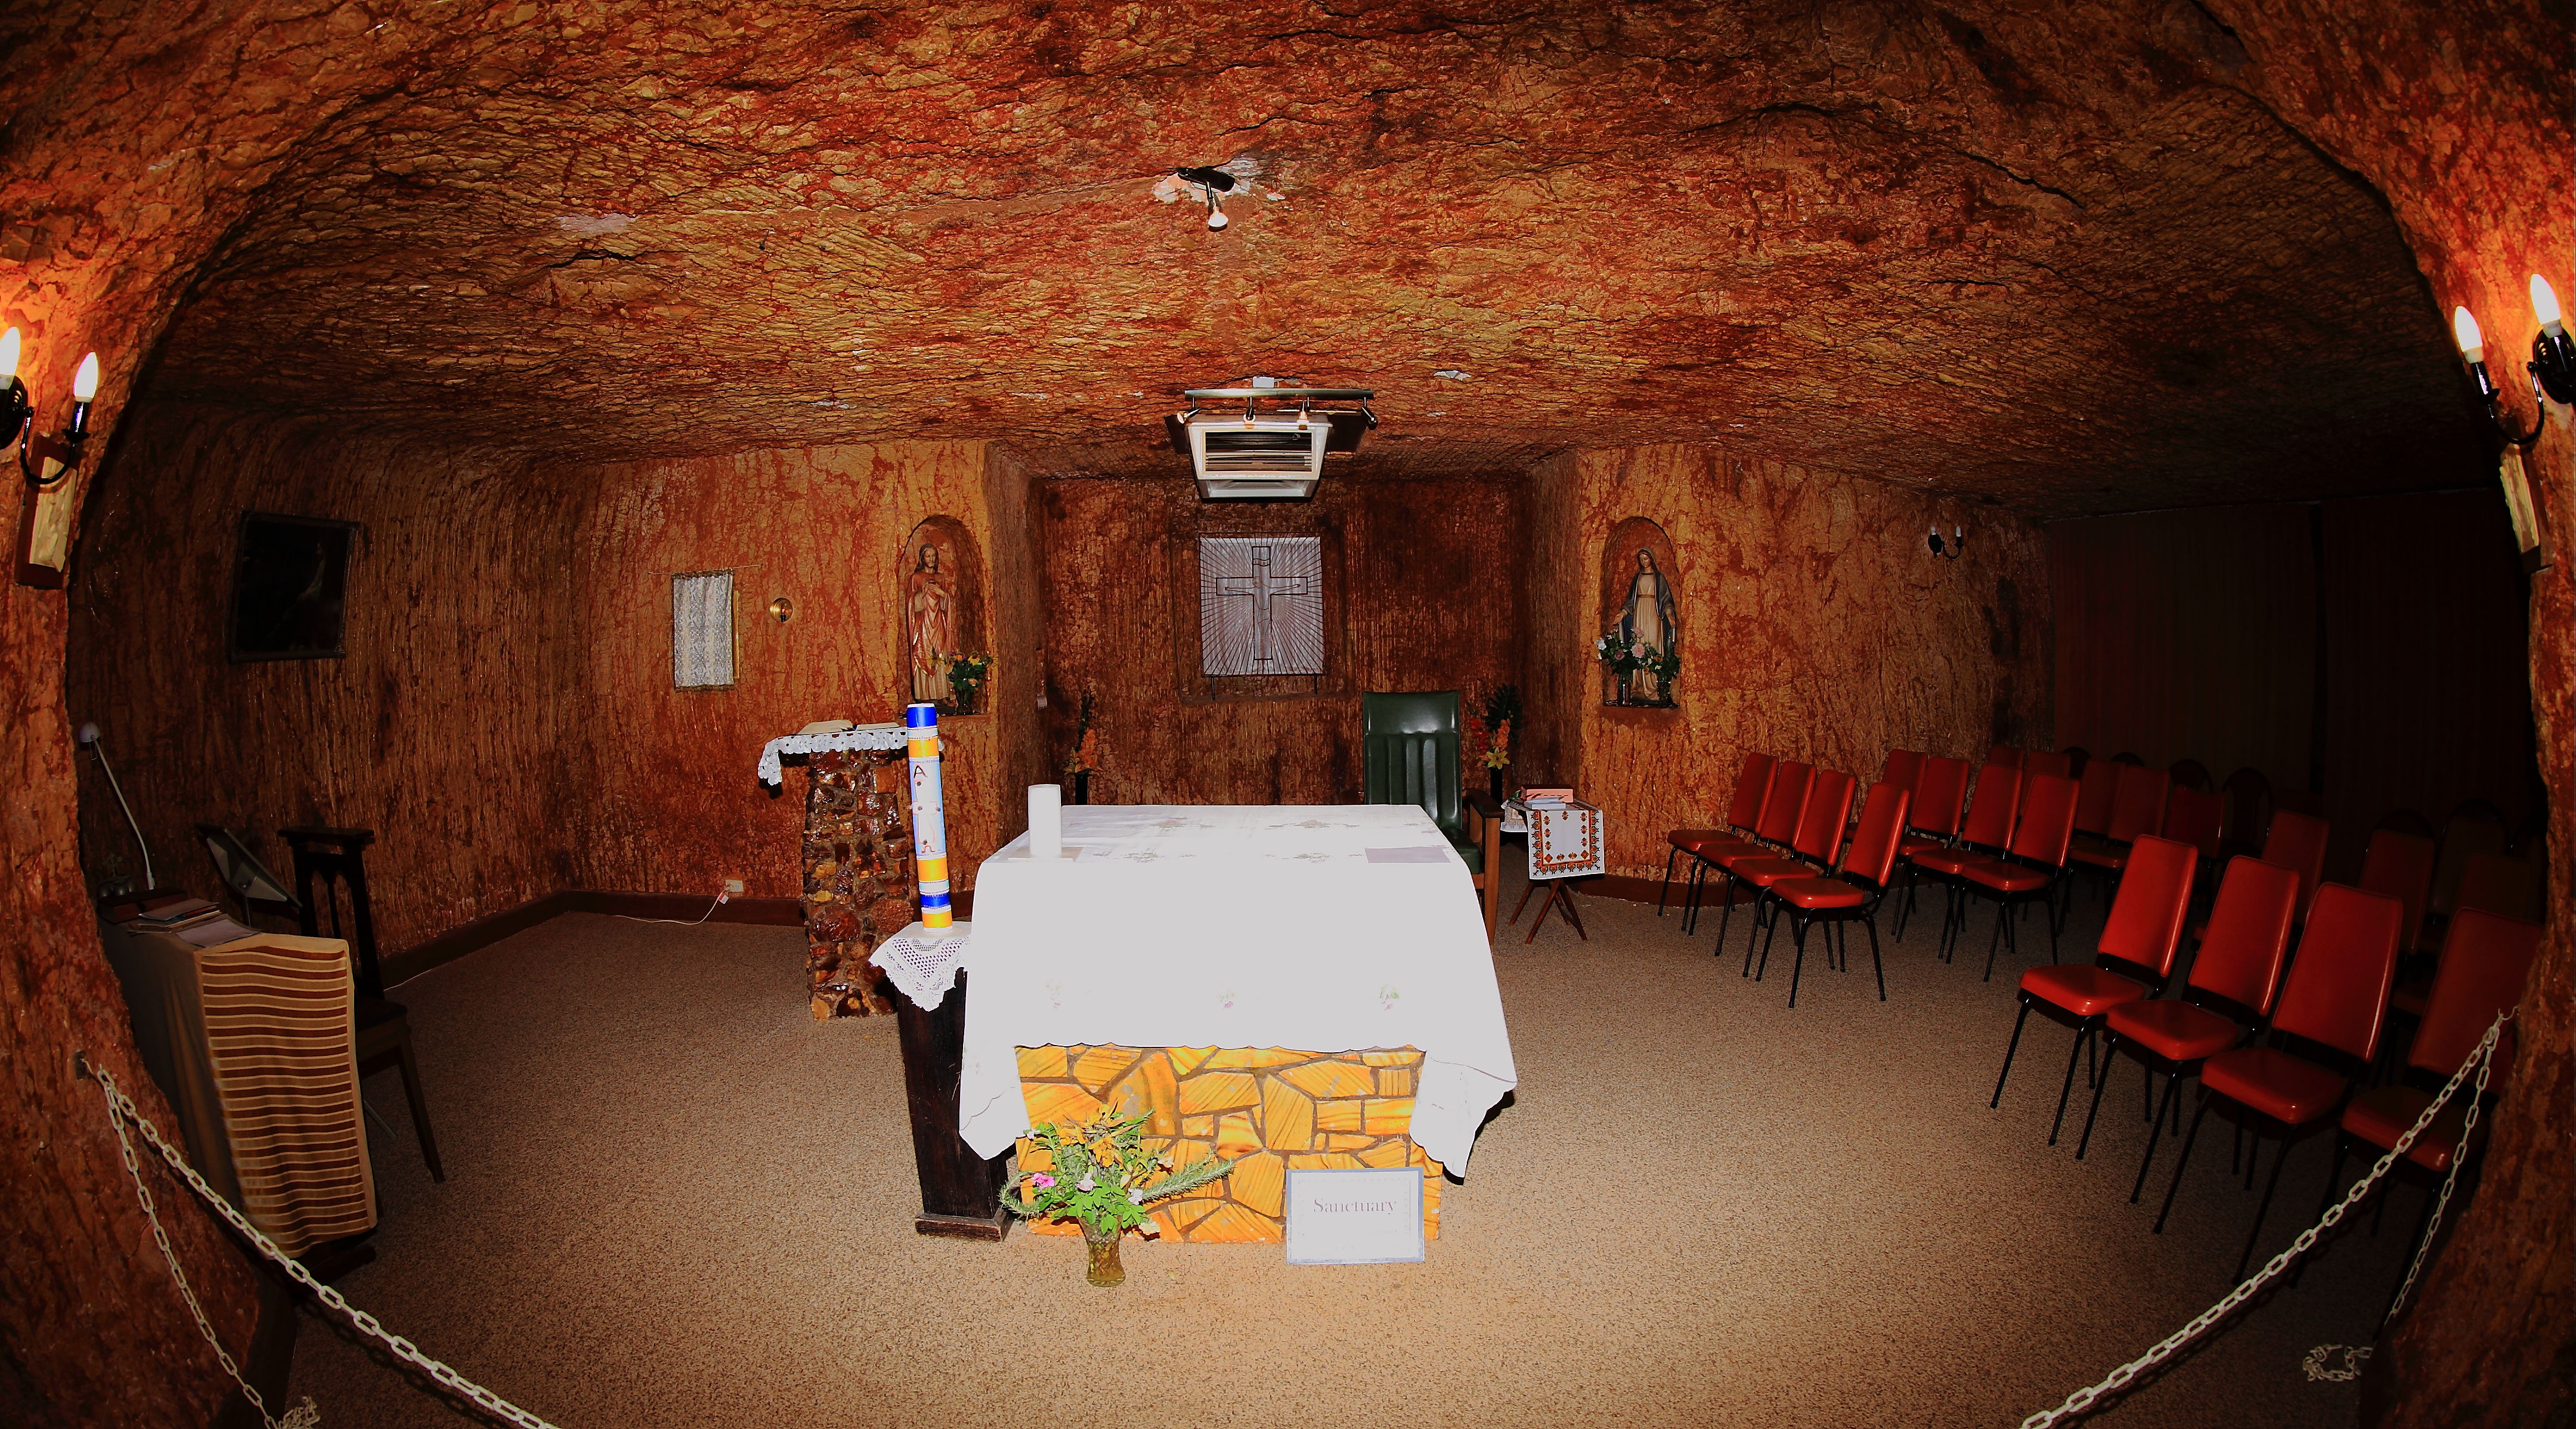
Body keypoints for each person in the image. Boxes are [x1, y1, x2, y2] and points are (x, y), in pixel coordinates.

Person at [1614, 548, 1677, 703]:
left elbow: (1666, 600)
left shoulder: (1659, 578)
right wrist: (1623, 613)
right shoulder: (1638, 578)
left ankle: (1654, 687)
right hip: (1640, 611)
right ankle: (1640, 687)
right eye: (1641, 559)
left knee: (1653, 644)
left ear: (1651, 559)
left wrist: (1669, 614)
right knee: (1639, 646)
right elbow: (1631, 600)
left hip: (1653, 614)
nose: (1644, 562)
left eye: (1646, 559)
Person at [906, 543, 955, 703]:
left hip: (938, 622)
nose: (931, 559)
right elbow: (911, 603)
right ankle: (925, 696)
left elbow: (947, 604)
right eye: (928, 556)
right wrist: (922, 593)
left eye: (934, 556)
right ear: (922, 558)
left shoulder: (940, 578)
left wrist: (943, 594)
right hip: (923, 624)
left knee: (939, 654)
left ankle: (941, 695)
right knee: (924, 654)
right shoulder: (916, 578)